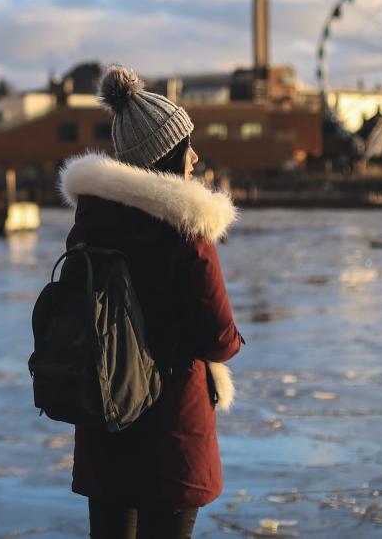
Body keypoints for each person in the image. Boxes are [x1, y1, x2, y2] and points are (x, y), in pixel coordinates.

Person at [56, 64, 244, 539]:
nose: (196, 157)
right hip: (171, 425)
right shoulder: (187, 230)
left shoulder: (90, 220)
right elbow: (219, 337)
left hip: (105, 413)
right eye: (188, 146)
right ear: (166, 155)